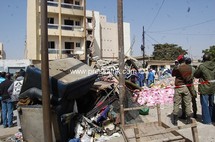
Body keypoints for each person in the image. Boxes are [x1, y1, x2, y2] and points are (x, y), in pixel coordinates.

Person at [194, 53, 215, 124]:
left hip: (204, 87)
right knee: (211, 103)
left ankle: (206, 120)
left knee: (205, 104)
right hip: (212, 87)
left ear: (203, 59)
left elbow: (196, 75)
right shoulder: (214, 65)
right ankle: (212, 118)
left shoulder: (202, 66)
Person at [171, 54, 192, 125]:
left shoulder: (178, 67)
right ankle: (188, 119)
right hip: (186, 87)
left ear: (179, 61)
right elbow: (189, 78)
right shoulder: (189, 67)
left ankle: (175, 120)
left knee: (176, 103)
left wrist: (175, 66)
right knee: (187, 103)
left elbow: (173, 74)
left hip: (178, 87)